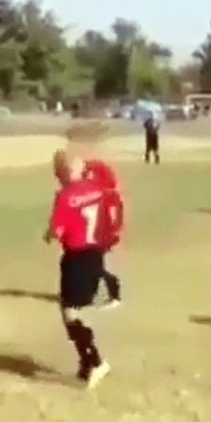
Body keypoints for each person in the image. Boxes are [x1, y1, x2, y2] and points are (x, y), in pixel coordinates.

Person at [45, 150, 112, 388]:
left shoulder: (65, 196)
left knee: (71, 312)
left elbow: (57, 231)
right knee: (76, 310)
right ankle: (86, 362)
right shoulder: (95, 189)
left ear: (61, 172)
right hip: (95, 254)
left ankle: (95, 360)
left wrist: (48, 235)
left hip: (76, 256)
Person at [66, 123, 124, 308]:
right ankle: (85, 294)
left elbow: (112, 201)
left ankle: (113, 293)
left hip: (100, 227)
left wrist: (113, 228)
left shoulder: (100, 173)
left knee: (94, 265)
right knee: (86, 263)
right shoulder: (80, 171)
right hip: (85, 228)